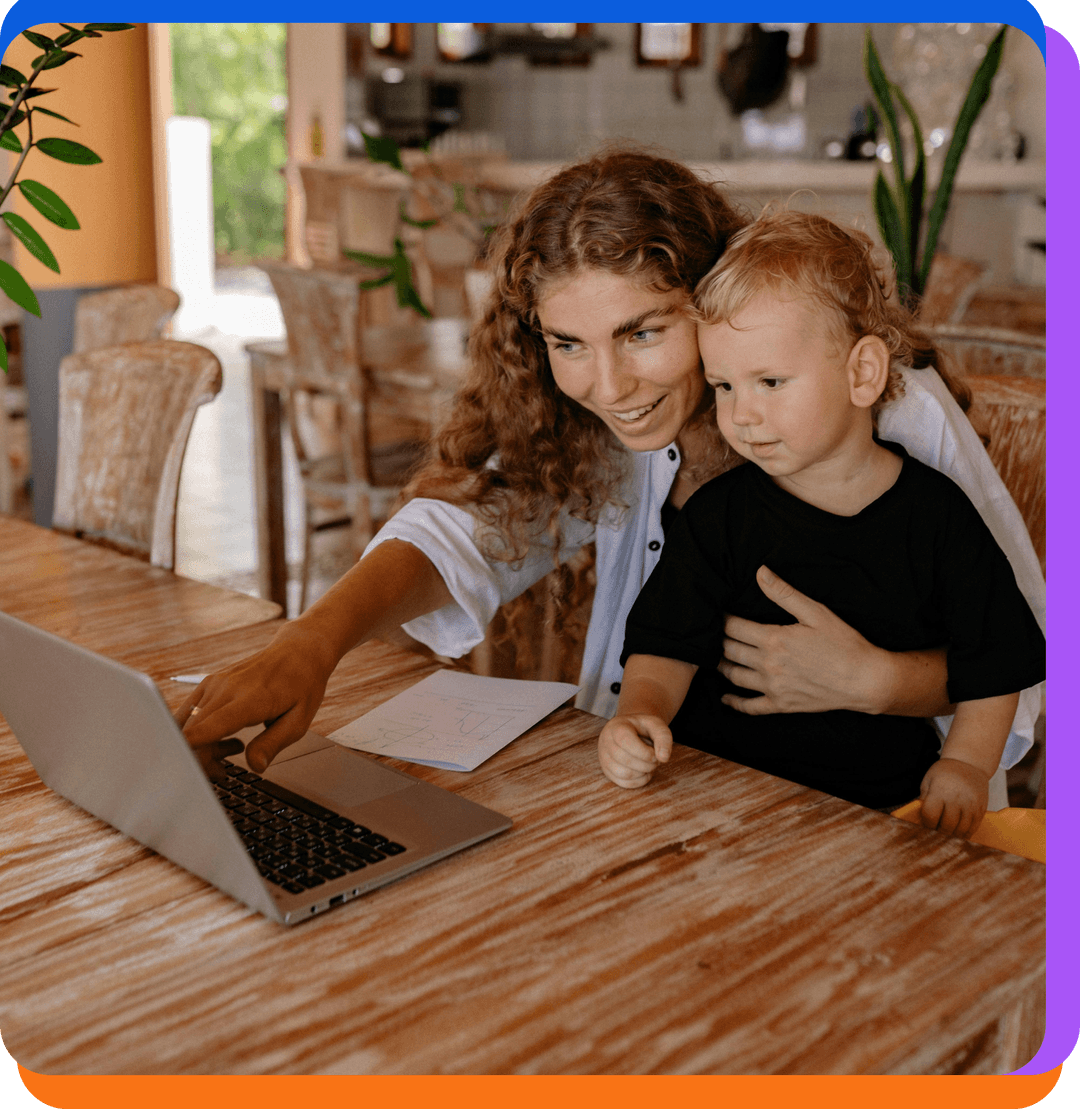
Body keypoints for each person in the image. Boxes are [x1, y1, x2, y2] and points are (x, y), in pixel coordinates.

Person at [179, 150, 1044, 812]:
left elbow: (1028, 676)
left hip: (877, 816)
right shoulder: (605, 425)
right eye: (568, 344)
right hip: (674, 793)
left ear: (710, 298)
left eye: (643, 332)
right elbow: (464, 531)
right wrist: (312, 644)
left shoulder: (887, 409)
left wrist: (880, 683)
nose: (609, 387)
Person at [598, 210, 1045, 836]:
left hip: (880, 809)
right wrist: (638, 715)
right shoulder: (717, 516)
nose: (741, 415)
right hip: (716, 797)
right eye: (724, 386)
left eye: (770, 381)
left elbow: (995, 661)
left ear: (862, 373)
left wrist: (966, 765)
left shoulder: (938, 516)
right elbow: (663, 646)